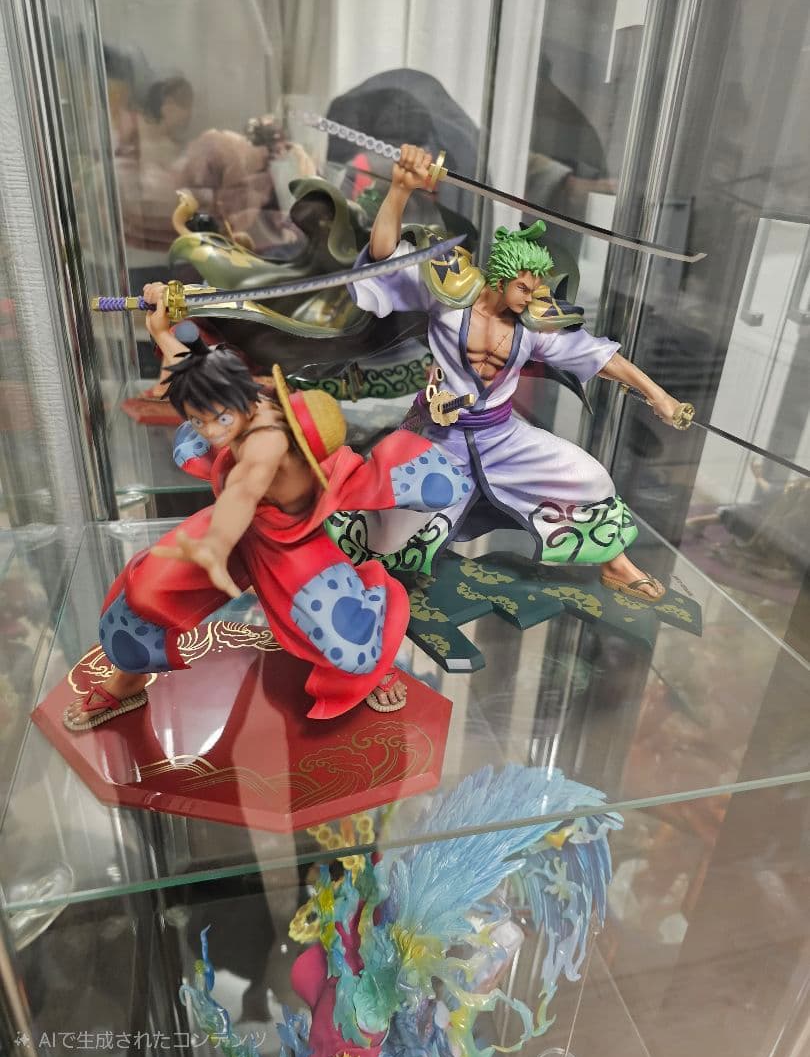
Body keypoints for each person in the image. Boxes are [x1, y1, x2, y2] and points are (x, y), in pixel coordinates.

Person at [64, 284, 471, 731]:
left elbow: (243, 490)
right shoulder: (232, 396)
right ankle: (128, 679)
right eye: (200, 420)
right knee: (147, 591)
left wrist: (215, 544)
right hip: (241, 530)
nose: (211, 431)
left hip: (291, 547)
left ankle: (374, 643)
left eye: (218, 419)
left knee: (349, 643)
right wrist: (162, 330)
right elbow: (195, 370)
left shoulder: (276, 446)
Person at [341, 145, 687, 601]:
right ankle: (359, 573)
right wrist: (401, 189)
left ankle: (617, 565)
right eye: (523, 287)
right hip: (439, 436)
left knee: (587, 477)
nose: (530, 297)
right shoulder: (447, 298)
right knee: (391, 526)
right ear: (500, 278)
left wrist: (659, 395)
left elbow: (601, 358)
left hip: (502, 437)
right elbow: (385, 260)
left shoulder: (533, 326)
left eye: (535, 289)